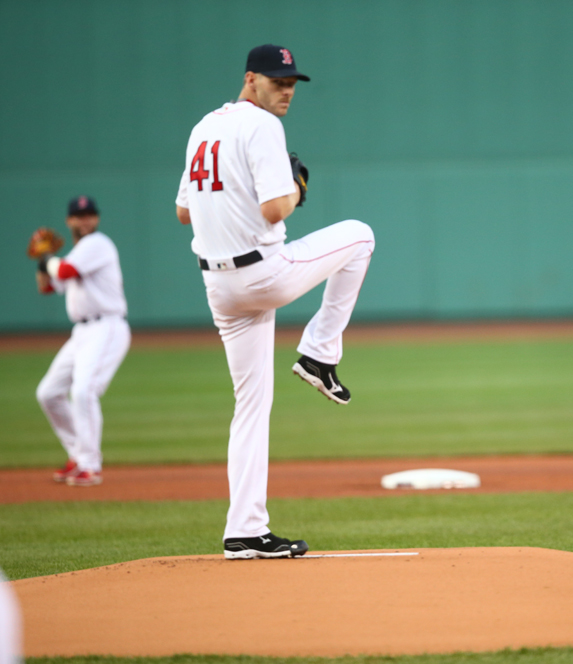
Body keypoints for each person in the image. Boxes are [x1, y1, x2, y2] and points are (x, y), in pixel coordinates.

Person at [175, 44, 375, 560]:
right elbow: (274, 209)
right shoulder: (262, 125)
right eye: (276, 80)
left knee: (251, 407)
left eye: (291, 82)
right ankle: (320, 354)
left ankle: (244, 531)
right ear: (250, 79)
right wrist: (292, 189)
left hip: (219, 287)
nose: (286, 90)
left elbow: (183, 212)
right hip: (263, 274)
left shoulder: (204, 127)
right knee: (360, 235)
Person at [35, 195, 131, 487]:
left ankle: (90, 465)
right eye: (79, 216)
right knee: (48, 393)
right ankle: (78, 455)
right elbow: (48, 287)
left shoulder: (97, 243)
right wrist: (42, 262)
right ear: (69, 221)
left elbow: (64, 271)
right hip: (82, 332)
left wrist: (49, 258)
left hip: (107, 327)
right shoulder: (77, 252)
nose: (85, 220)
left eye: (90, 214)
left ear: (96, 219)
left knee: (84, 390)